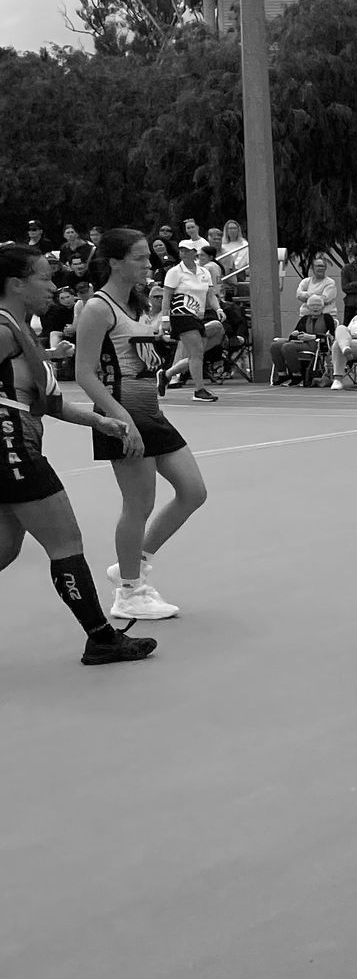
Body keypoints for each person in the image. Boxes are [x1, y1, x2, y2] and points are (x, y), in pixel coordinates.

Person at [0, 244, 158, 665]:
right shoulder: (1, 329)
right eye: (43, 277)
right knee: (65, 541)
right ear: (17, 283)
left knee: (4, 548)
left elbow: (41, 402)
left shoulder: (17, 328)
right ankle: (101, 637)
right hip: (12, 450)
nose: (53, 286)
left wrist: (101, 422)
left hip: (14, 447)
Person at [72, 228, 210, 621]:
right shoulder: (99, 308)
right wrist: (119, 418)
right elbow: (85, 373)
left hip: (150, 413)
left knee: (193, 491)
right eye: (138, 258)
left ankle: (132, 562)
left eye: (148, 257)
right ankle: (130, 593)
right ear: (114, 262)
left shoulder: (138, 304)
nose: (148, 264)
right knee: (139, 503)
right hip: (123, 417)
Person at [160, 238, 225, 403]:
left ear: (194, 253)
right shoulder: (175, 272)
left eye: (186, 250)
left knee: (200, 350)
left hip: (198, 316)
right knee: (196, 354)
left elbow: (210, 295)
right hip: (181, 314)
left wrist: (218, 309)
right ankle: (199, 390)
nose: (182, 253)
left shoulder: (204, 272)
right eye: (181, 250)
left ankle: (167, 374)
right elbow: (166, 297)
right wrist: (165, 319)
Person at [270, 295, 336, 384]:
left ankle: (297, 374)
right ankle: (282, 374)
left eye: (318, 305)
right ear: (308, 307)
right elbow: (293, 336)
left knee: (288, 347)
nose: (315, 308)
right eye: (312, 305)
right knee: (275, 345)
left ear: (323, 307)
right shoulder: (305, 319)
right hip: (303, 342)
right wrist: (296, 334)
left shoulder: (327, 318)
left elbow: (331, 336)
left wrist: (312, 336)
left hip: (317, 344)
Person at [298, 257, 343, 323]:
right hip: (306, 317)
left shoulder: (330, 282)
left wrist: (306, 296)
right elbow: (298, 295)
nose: (321, 268)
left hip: (326, 318)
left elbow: (324, 299)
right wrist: (317, 295)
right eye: (318, 266)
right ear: (312, 268)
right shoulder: (306, 281)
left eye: (323, 266)